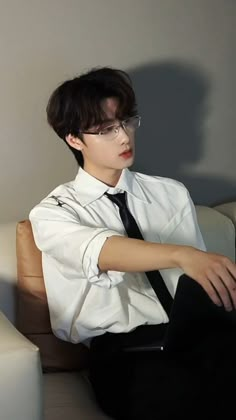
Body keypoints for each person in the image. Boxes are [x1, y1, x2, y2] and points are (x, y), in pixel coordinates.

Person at [29, 67, 236, 420]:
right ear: (74, 140)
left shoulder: (169, 193)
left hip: (193, 335)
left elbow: (198, 282)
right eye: (107, 129)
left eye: (126, 121)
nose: (124, 137)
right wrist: (182, 255)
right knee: (187, 397)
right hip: (124, 353)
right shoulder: (53, 212)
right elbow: (103, 250)